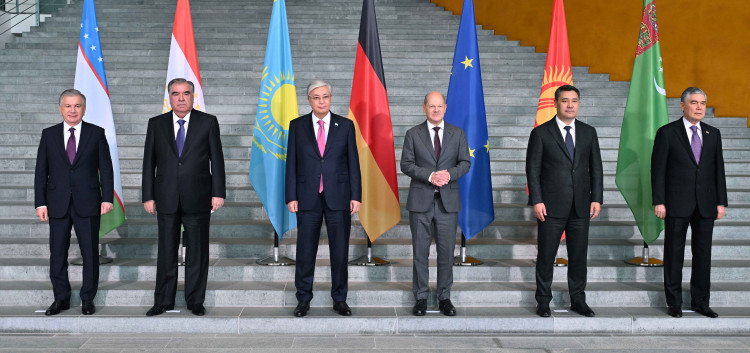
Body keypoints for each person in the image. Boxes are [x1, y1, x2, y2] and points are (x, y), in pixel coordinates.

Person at [142, 78, 226, 317]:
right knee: (166, 251)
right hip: (165, 196)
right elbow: (149, 162)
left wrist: (218, 192)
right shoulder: (156, 124)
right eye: (176, 94)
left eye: (185, 93)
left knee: (197, 253)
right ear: (169, 97)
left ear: (193, 96)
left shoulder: (208, 122)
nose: (181, 98)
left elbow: (216, 161)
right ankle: (163, 300)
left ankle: (195, 301)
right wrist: (148, 195)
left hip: (198, 197)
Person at [34, 89, 114, 316]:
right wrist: (40, 203)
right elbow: (41, 171)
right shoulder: (48, 134)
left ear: (84, 109)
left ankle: (88, 298)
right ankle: (61, 298)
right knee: (57, 253)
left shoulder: (96, 133)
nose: (72, 110)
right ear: (60, 109)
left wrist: (107, 197)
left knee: (90, 253)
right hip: (57, 203)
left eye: (77, 106)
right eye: (68, 106)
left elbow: (106, 169)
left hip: (88, 202)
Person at [285, 80, 361, 317]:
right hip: (307, 197)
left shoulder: (346, 125)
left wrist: (356, 195)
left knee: (339, 252)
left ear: (331, 98)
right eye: (316, 97)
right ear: (309, 100)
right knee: (305, 251)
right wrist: (291, 196)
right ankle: (303, 299)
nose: (321, 101)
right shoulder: (297, 126)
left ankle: (340, 299)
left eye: (325, 96)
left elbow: (353, 163)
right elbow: (291, 164)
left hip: (339, 197)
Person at [525, 85, 603, 318]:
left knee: (578, 256)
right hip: (550, 205)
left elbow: (596, 168)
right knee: (546, 256)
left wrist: (596, 198)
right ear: (556, 103)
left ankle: (578, 300)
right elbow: (533, 170)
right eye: (565, 101)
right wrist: (536, 200)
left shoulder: (589, 132)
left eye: (574, 101)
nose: (570, 105)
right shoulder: (541, 133)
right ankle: (543, 300)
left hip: (581, 205)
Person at [651, 87, 727, 318]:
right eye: (694, 103)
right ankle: (674, 302)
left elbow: (718, 170)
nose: (699, 107)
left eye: (703, 103)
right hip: (676, 203)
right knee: (674, 253)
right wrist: (659, 201)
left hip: (706, 203)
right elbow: (658, 170)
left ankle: (701, 302)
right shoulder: (667, 133)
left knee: (703, 255)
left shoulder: (713, 134)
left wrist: (721, 202)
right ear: (683, 105)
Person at [400, 91, 470, 317]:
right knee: (420, 252)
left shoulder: (457, 134)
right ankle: (420, 297)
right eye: (431, 106)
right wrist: (430, 176)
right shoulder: (413, 134)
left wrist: (448, 175)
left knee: (446, 253)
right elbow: (406, 165)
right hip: (421, 201)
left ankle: (444, 297)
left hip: (447, 202)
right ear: (424, 108)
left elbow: (465, 162)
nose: (436, 109)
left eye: (439, 106)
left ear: (445, 107)